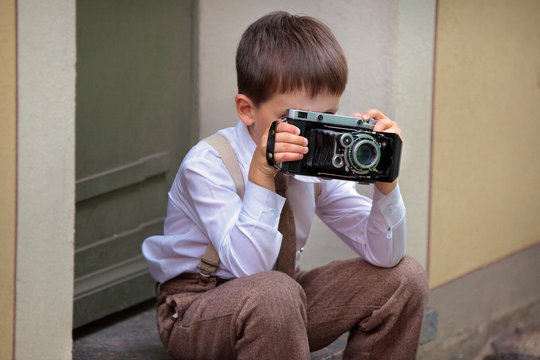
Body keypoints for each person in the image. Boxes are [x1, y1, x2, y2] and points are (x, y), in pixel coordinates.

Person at [142, 11, 428, 360]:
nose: (310, 139)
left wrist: (385, 181)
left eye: (326, 119)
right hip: (196, 309)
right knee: (275, 293)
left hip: (281, 298)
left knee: (405, 276)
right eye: (296, 121)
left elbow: (386, 255)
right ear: (247, 110)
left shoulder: (318, 160)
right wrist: (263, 176)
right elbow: (250, 272)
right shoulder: (209, 163)